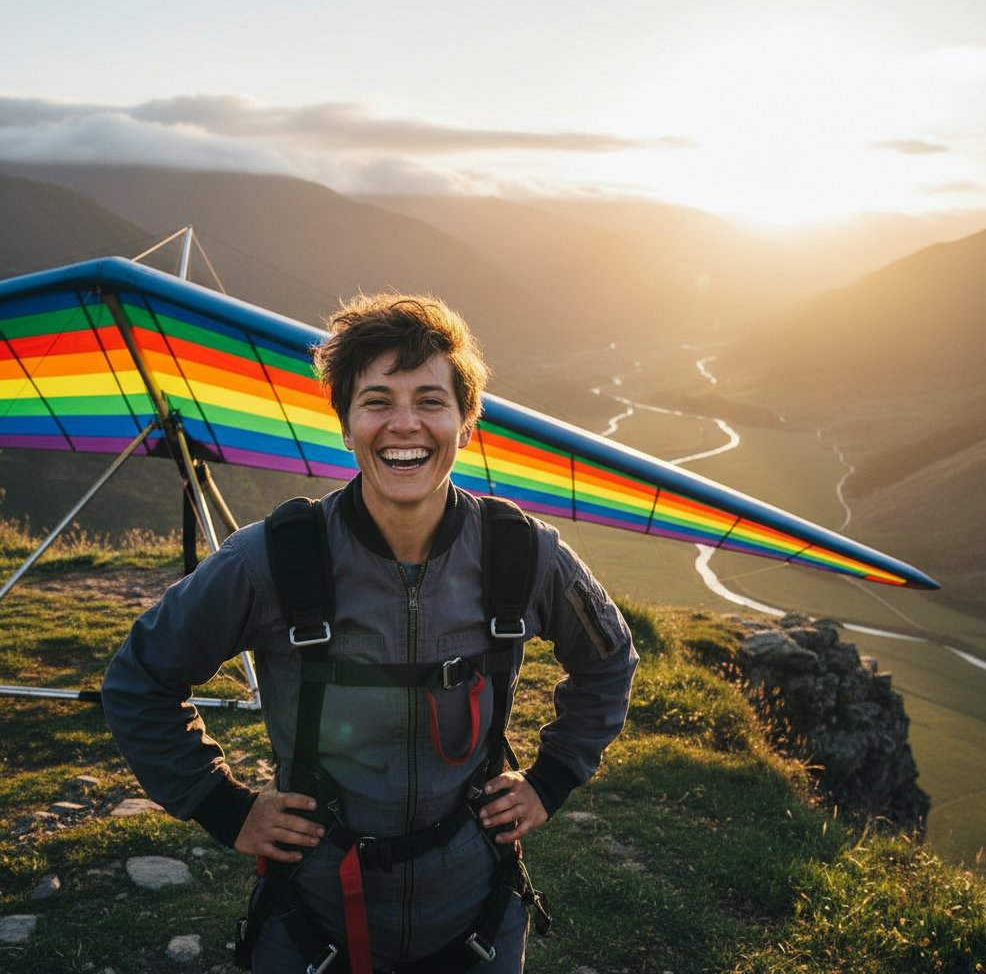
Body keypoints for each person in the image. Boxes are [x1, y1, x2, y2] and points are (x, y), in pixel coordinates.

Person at [102, 292, 638, 973]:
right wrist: (224, 807)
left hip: (478, 916)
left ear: (466, 424)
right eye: (377, 401)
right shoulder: (275, 559)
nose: (404, 424)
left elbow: (609, 660)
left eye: (431, 401)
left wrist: (551, 780)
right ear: (346, 424)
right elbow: (139, 679)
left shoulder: (522, 552)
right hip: (312, 917)